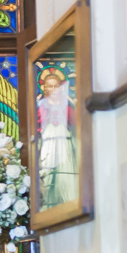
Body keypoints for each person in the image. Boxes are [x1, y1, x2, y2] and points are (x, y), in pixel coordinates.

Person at [36, 67, 79, 209]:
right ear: (45, 88)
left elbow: (74, 125)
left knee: (65, 174)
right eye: (50, 86)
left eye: (56, 86)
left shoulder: (67, 105)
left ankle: (68, 201)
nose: (53, 89)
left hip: (64, 144)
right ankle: (48, 202)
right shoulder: (41, 105)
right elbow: (36, 127)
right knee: (48, 174)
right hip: (47, 144)